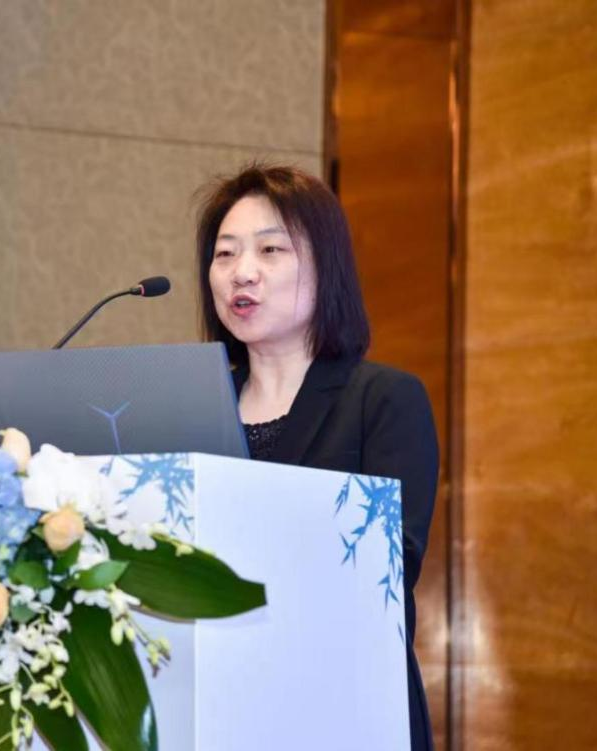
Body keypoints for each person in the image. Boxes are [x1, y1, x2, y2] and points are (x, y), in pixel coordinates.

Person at [196, 163, 438, 751]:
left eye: (270, 249)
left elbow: (386, 568)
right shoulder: (194, 407)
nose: (241, 272)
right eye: (225, 254)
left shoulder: (383, 399)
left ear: (326, 267)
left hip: (343, 706)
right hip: (214, 706)